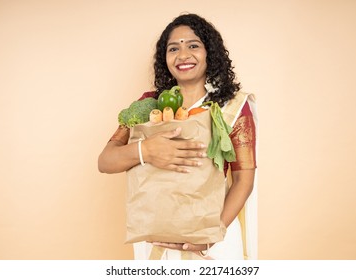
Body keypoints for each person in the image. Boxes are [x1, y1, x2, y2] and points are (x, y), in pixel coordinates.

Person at [98, 13, 257, 260]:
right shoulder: (148, 104)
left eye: (193, 45)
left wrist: (209, 237)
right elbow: (106, 161)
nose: (183, 55)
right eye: (174, 48)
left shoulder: (232, 107)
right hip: (156, 239)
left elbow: (243, 181)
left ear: (209, 53)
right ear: (165, 58)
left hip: (214, 240)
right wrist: (147, 150)